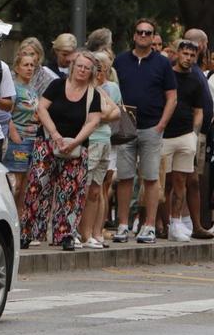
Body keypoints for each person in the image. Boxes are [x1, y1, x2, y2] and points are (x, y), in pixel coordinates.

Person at [21, 51, 102, 251]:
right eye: (80, 66)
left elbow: (93, 122)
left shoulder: (94, 94)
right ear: (73, 67)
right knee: (37, 188)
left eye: (87, 68)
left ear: (91, 72)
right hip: (48, 142)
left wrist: (75, 142)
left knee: (71, 192)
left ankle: (65, 234)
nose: (82, 70)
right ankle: (28, 232)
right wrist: (55, 135)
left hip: (75, 147)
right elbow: (42, 108)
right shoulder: (57, 85)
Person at [112, 19, 177, 244]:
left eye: (148, 33)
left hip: (152, 124)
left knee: (150, 177)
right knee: (124, 176)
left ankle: (148, 226)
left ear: (153, 37)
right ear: (134, 35)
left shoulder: (162, 63)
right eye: (139, 31)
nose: (143, 35)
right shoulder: (120, 61)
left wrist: (162, 124)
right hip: (126, 121)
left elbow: (172, 97)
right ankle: (122, 225)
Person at [160, 40, 204, 242]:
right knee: (162, 183)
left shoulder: (196, 79)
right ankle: (161, 224)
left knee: (181, 181)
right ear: (177, 53)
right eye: (185, 53)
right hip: (163, 134)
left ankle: (176, 223)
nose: (188, 58)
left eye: (192, 55)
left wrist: (194, 133)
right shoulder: (166, 75)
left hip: (186, 134)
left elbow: (199, 111)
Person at [77, 51, 121, 248]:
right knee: (84, 189)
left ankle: (93, 233)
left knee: (96, 189)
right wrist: (101, 115)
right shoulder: (82, 89)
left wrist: (100, 116)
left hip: (104, 140)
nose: (96, 73)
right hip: (90, 141)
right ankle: (83, 234)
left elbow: (116, 111)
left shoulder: (101, 90)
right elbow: (101, 112)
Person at [180, 28, 213, 239]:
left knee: (194, 179)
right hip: (186, 132)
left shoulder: (199, 71)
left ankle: (194, 223)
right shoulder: (185, 71)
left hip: (199, 133)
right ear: (202, 44)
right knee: (182, 179)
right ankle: (179, 221)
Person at [4, 52, 38, 219]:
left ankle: (20, 220)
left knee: (25, 185)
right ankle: (10, 218)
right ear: (17, 68)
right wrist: (13, 134)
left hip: (33, 139)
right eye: (26, 65)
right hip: (18, 140)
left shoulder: (32, 89)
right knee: (15, 184)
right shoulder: (14, 89)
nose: (29, 68)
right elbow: (6, 114)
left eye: (32, 65)